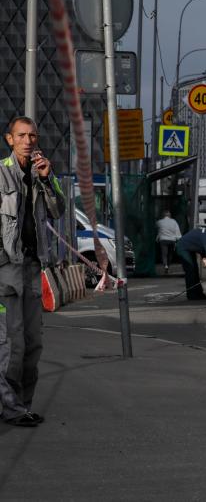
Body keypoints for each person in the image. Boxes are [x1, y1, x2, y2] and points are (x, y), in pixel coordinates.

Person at [0, 116, 65, 427]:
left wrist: (47, 179)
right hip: (5, 268)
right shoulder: (1, 173)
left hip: (32, 266)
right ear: (9, 139)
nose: (28, 140)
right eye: (22, 135)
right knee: (11, 343)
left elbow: (58, 211)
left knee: (33, 343)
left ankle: (22, 405)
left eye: (33, 135)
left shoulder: (41, 173)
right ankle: (10, 408)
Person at [175, 225, 206, 300]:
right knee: (190, 270)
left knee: (195, 270)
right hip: (183, 248)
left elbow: (201, 245)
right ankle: (191, 295)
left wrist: (204, 257)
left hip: (189, 249)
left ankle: (199, 293)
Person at [156, 210, 182, 274]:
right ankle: (168, 266)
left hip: (163, 240)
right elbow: (177, 231)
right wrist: (178, 238)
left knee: (164, 254)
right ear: (170, 215)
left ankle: (165, 266)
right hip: (172, 240)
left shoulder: (159, 222)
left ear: (163, 215)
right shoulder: (174, 222)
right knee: (170, 254)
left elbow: (156, 228)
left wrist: (157, 237)